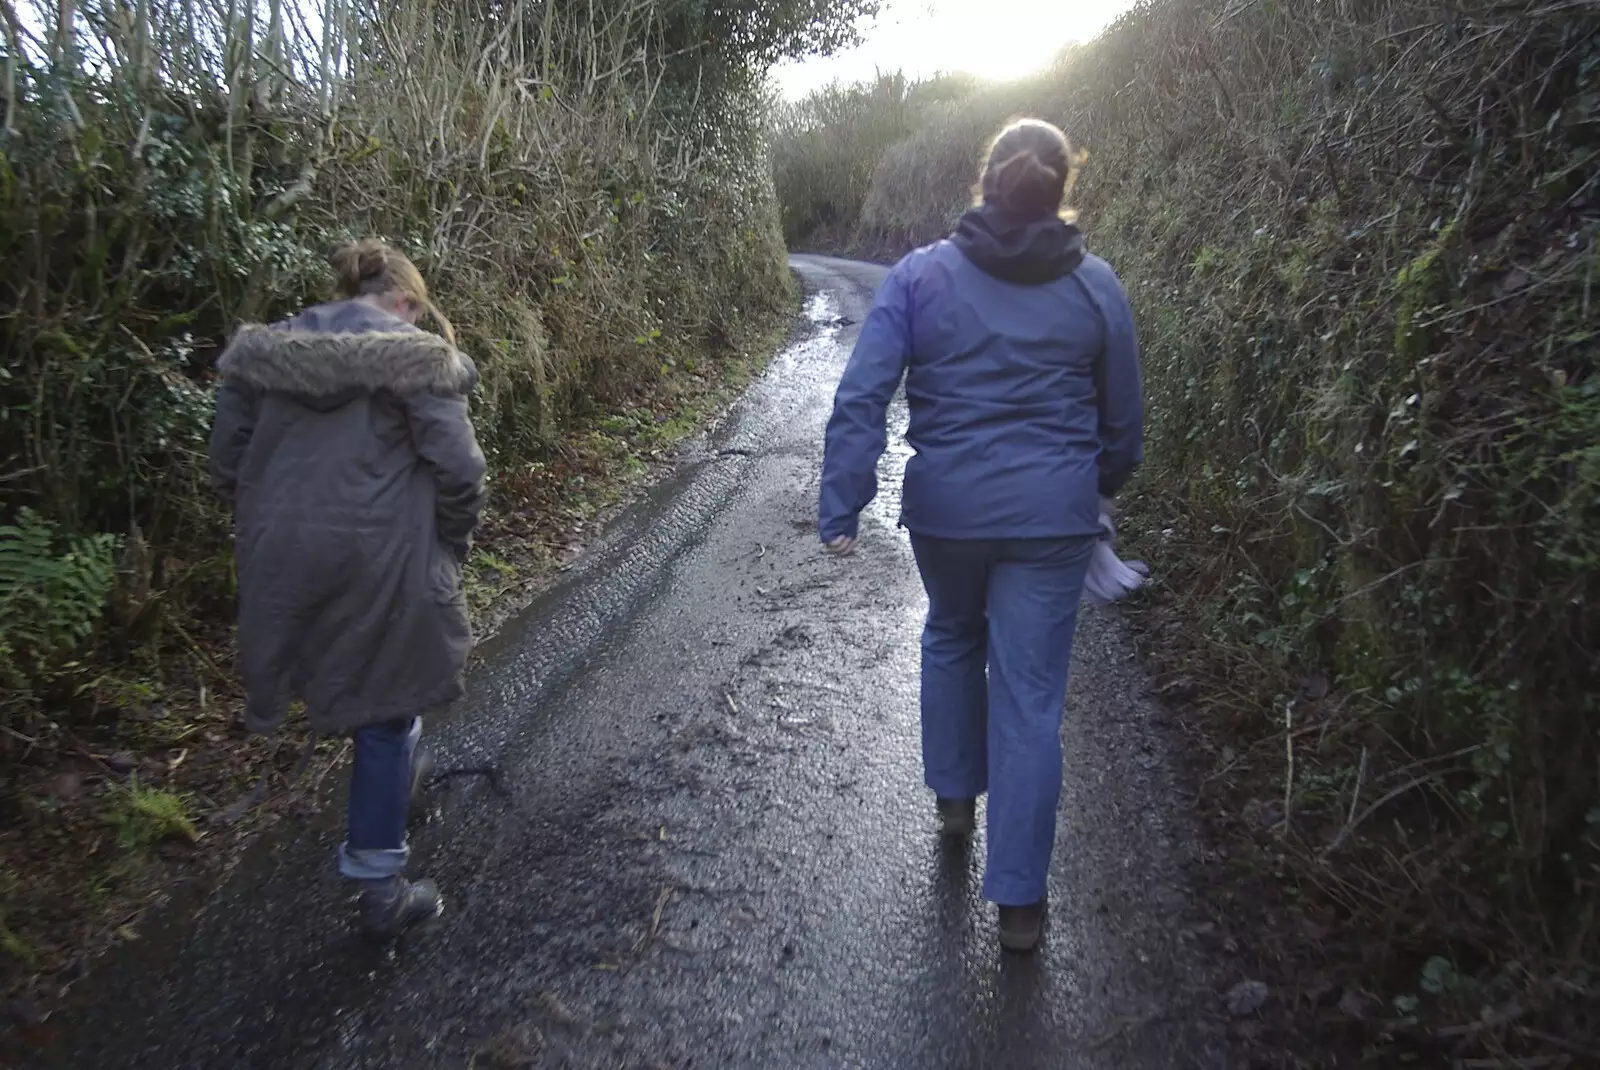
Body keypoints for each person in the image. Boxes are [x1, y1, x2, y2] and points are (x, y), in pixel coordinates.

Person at [818, 119, 1145, 952]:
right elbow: (1124, 420)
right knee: (1032, 698)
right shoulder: (1096, 286)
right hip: (1052, 519)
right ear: (1060, 187)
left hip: (947, 513)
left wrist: (844, 501)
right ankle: (1021, 909)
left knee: (953, 635)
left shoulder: (920, 277)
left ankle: (955, 801)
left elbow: (864, 393)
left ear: (984, 180)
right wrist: (1094, 485)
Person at [208, 239, 487, 939]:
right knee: (388, 701)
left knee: (361, 681)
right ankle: (381, 889)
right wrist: (450, 538)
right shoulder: (418, 358)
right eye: (418, 314)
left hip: (279, 549)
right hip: (377, 547)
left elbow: (224, 463)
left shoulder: (267, 352)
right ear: (406, 301)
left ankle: (405, 774)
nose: (419, 327)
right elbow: (460, 470)